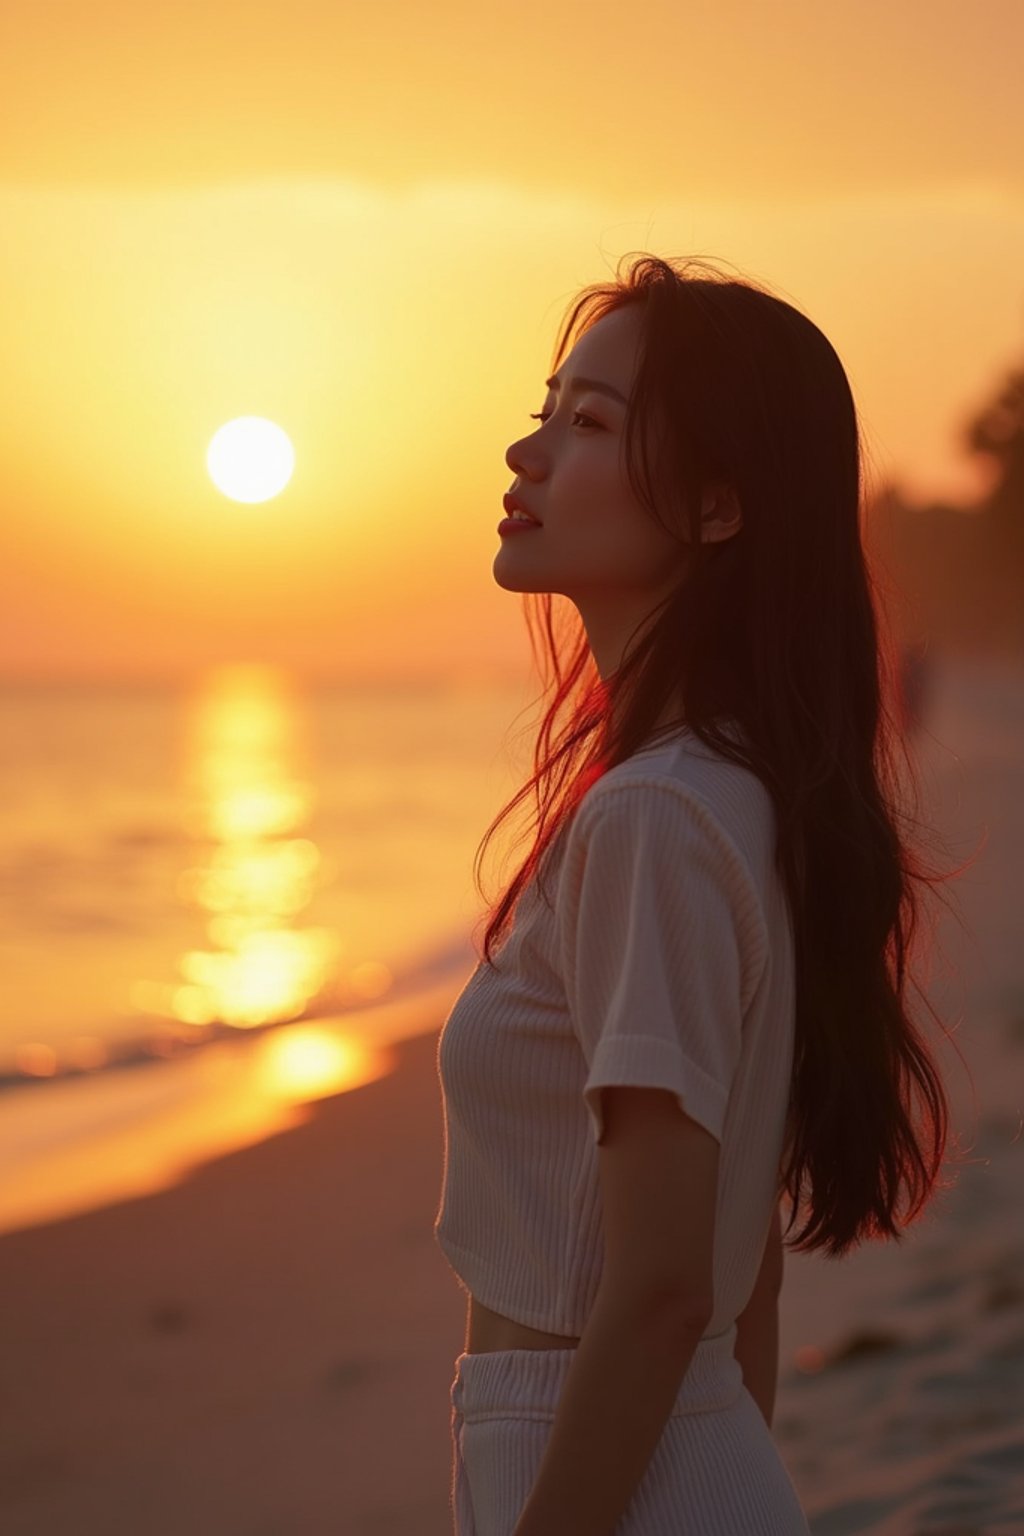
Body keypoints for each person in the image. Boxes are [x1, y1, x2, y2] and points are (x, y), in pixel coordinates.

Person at [433, 254, 963, 1535]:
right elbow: (746, 1282)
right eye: (546, 408)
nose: (526, 452)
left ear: (719, 509)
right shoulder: (729, 789)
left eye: (590, 424)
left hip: (601, 1464)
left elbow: (670, 1287)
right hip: (680, 1462)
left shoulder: (656, 817)